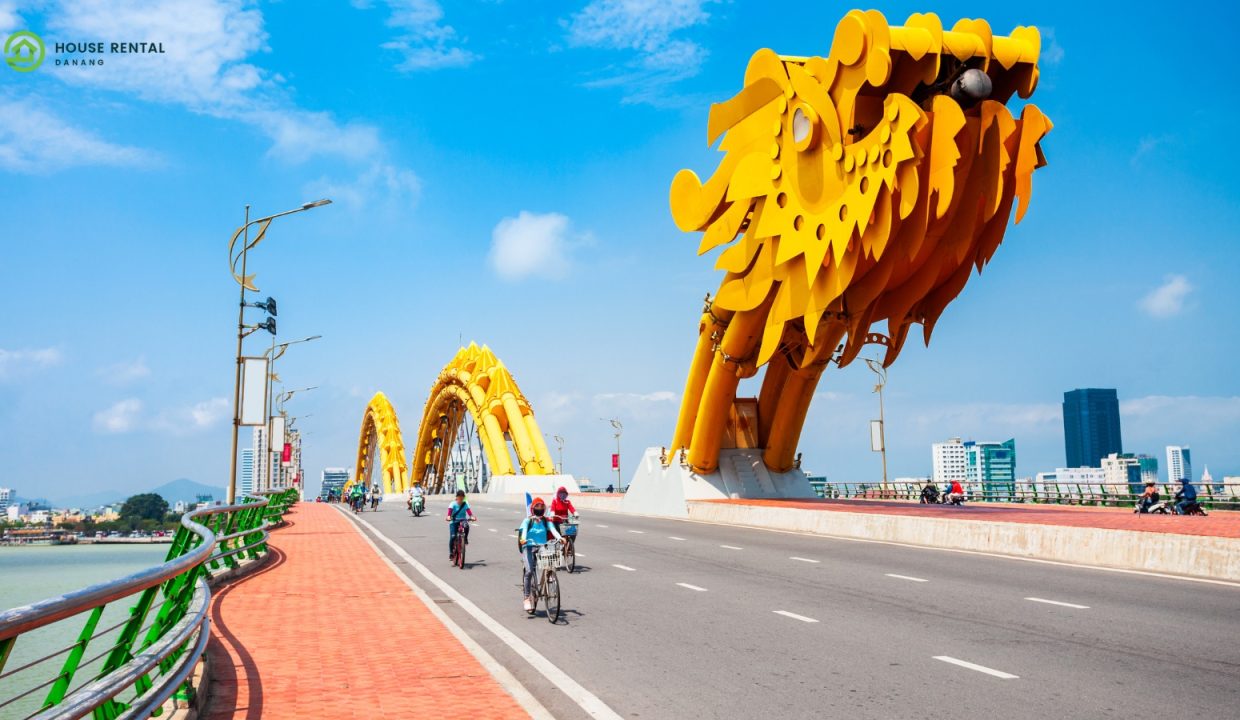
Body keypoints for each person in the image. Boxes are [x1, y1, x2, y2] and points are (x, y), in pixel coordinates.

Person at [518, 497, 564, 612]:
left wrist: (560, 538)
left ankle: (547, 582)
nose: (539, 509)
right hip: (528, 547)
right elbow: (523, 531)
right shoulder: (528, 520)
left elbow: (553, 529)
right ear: (533, 508)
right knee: (529, 571)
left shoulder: (546, 520)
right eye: (537, 507)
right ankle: (527, 597)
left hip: (542, 547)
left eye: (541, 507)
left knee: (549, 566)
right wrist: (523, 539)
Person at [445, 490, 475, 559]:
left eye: (462, 498)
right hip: (454, 521)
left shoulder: (465, 504)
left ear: (464, 497)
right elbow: (449, 512)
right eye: (459, 498)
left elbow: (469, 512)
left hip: (463, 520)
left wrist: (472, 517)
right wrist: (449, 516)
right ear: (457, 497)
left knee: (466, 526)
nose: (460, 500)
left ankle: (465, 538)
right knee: (453, 537)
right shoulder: (453, 504)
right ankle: (451, 553)